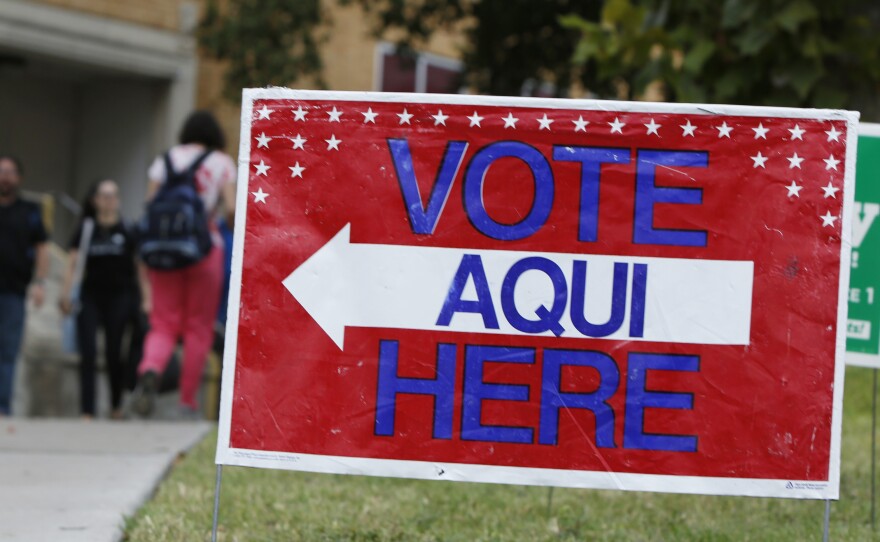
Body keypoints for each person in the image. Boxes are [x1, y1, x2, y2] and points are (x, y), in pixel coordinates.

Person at [133, 111, 236, 418]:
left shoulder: (166, 160)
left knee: (163, 323)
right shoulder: (221, 162)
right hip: (205, 251)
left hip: (164, 252)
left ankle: (151, 368)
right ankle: (187, 401)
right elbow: (231, 208)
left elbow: (150, 205)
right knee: (198, 327)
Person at [60, 179, 142, 419]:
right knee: (88, 352)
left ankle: (115, 405)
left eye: (113, 195)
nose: (108, 200)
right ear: (95, 200)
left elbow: (140, 268)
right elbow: (72, 263)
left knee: (114, 352)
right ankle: (87, 409)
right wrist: (66, 293)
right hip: (90, 296)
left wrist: (147, 299)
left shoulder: (128, 229)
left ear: (118, 200)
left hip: (120, 297)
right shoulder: (86, 228)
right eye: (103, 195)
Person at [0, 155, 49, 416]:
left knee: (8, 352)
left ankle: (2, 407)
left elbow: (42, 249)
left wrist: (40, 283)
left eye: (10, 172)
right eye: (1, 171)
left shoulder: (30, 211)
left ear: (18, 178)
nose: (5, 177)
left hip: (14, 292)